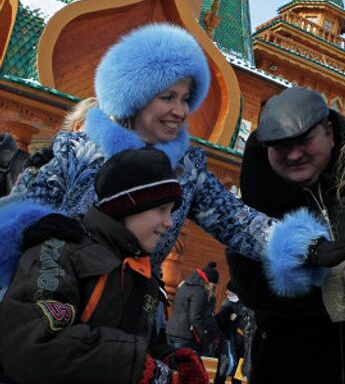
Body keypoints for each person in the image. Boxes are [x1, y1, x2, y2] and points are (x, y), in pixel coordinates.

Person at [0, 23, 327, 272]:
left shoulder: (184, 171)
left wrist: (305, 246)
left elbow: (237, 221)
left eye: (185, 99)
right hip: (58, 306)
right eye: (167, 97)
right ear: (136, 96)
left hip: (129, 318)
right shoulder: (80, 154)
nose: (181, 111)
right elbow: (19, 217)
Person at [226, 87, 345, 384]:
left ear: (329, 133)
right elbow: (249, 281)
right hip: (290, 363)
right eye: (280, 147)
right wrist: (330, 285)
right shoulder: (256, 204)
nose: (294, 154)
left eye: (304, 141)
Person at [0, 147, 208, 384]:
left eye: (171, 212)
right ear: (130, 205)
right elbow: (31, 346)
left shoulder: (144, 274)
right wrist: (137, 366)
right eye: (162, 210)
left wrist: (170, 359)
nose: (170, 223)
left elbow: (138, 343)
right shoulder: (60, 251)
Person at [166, 262, 220, 356]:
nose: (213, 290)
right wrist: (204, 335)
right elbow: (195, 317)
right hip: (184, 336)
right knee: (182, 366)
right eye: (214, 287)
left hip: (171, 331)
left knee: (171, 364)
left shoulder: (185, 285)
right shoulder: (199, 292)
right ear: (209, 282)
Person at [214, 282, 250, 384]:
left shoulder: (245, 306)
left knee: (238, 375)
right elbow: (221, 322)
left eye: (228, 290)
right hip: (228, 342)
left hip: (242, 344)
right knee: (222, 370)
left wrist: (238, 318)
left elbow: (248, 325)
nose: (226, 292)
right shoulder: (226, 303)